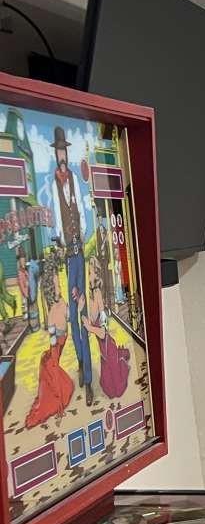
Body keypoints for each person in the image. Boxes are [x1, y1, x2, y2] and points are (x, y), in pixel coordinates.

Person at [46, 127, 93, 406]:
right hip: (68, 256)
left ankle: (88, 378)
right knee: (73, 316)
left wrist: (79, 238)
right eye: (58, 151)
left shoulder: (74, 179)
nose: (62, 154)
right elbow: (55, 215)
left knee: (83, 311)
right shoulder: (54, 182)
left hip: (79, 255)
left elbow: (84, 219)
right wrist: (64, 243)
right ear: (55, 153)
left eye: (64, 150)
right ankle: (80, 360)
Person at [26, 297, 74, 428]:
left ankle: (54, 396)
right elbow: (53, 341)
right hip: (55, 351)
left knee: (52, 371)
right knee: (53, 371)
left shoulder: (60, 305)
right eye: (56, 283)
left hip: (58, 346)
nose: (58, 285)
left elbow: (69, 317)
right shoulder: (54, 311)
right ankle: (54, 398)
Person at [83, 283, 130, 398]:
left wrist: (90, 328)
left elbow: (103, 334)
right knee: (107, 387)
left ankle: (121, 356)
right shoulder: (89, 302)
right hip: (104, 352)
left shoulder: (102, 313)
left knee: (117, 391)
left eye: (99, 296)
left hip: (109, 349)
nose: (100, 300)